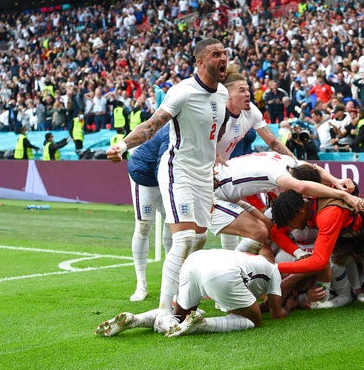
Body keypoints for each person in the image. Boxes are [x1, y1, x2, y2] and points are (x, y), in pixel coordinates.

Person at [106, 38, 228, 336]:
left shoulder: (222, 93)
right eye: (216, 54)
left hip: (203, 177)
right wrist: (122, 144)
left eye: (225, 53)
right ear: (200, 62)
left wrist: (214, 160)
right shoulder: (182, 91)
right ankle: (163, 312)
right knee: (184, 238)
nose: (223, 58)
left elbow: (214, 131)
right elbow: (151, 125)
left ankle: (182, 305)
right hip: (179, 172)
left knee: (198, 243)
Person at [95, 249, 290, 337]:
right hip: (221, 272)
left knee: (178, 316)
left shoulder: (249, 258)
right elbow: (276, 313)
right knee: (254, 321)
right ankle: (202, 325)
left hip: (195, 260)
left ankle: (135, 319)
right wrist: (292, 304)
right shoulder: (274, 271)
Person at [212, 152, 361, 256]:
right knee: (258, 231)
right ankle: (229, 274)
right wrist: (342, 195)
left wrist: (335, 180)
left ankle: (245, 269)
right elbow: (302, 187)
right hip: (210, 192)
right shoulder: (279, 174)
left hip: (223, 187)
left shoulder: (290, 163)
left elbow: (314, 168)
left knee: (269, 229)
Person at [126, 123, 172, 301]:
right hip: (143, 171)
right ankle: (141, 284)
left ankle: (171, 280)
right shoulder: (172, 130)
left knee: (172, 221)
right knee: (144, 225)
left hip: (165, 173)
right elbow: (164, 162)